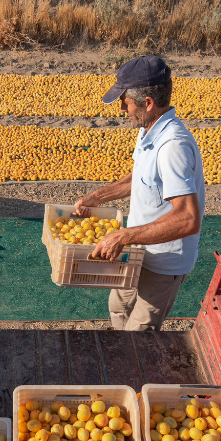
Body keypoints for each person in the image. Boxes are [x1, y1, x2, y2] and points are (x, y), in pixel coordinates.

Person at [73, 55, 205, 332]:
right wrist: (98, 197)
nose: (122, 109)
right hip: (137, 249)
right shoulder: (148, 130)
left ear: (148, 103)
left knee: (139, 335)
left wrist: (123, 236)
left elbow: (188, 219)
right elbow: (142, 176)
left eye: (126, 102)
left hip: (163, 260)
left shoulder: (173, 147)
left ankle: (131, 368)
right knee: (118, 307)